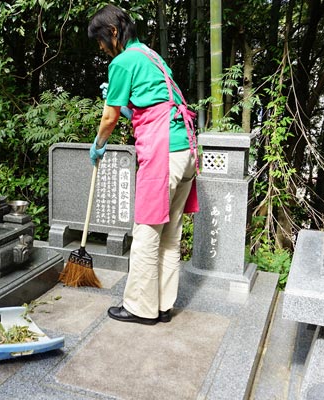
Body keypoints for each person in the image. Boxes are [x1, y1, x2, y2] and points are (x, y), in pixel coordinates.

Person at [88, 4, 199, 325]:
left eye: (100, 40)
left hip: (163, 154)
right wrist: (127, 112)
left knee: (148, 230)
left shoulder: (124, 61)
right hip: (187, 151)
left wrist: (99, 145)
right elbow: (155, 105)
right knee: (170, 233)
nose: (100, 48)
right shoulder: (151, 55)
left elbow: (108, 117)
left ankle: (140, 307)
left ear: (112, 32)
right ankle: (163, 305)